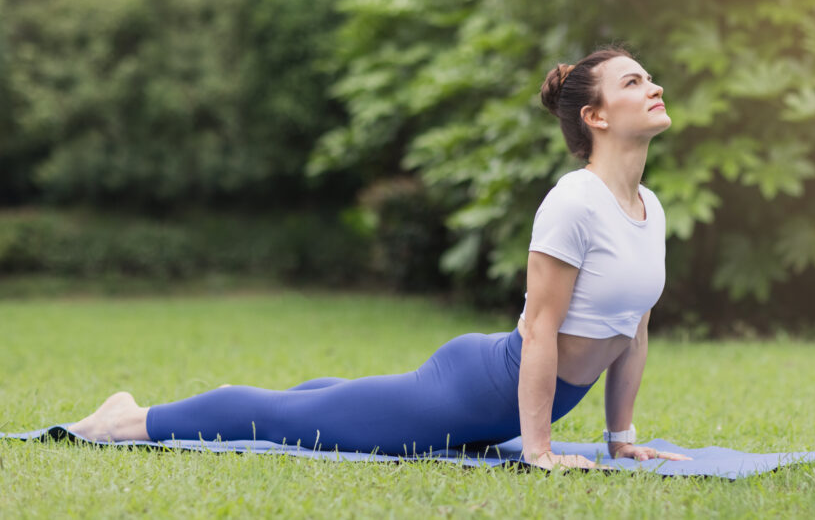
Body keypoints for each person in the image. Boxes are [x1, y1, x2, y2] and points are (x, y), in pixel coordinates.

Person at [69, 46, 689, 470]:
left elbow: (633, 327)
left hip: (499, 399)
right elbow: (539, 329)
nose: (654, 85)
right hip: (472, 390)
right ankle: (127, 421)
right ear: (596, 116)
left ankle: (324, 397)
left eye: (647, 76)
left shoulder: (649, 207)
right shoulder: (574, 200)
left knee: (330, 404)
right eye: (633, 81)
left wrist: (621, 438)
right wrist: (538, 450)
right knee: (285, 418)